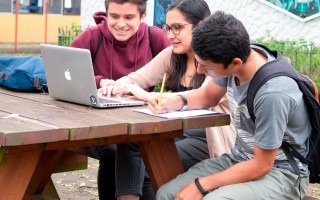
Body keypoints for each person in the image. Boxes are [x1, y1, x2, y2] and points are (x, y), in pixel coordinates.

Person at [151, 11, 311, 200]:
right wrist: (176, 102)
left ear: (235, 63)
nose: (200, 71)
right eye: (198, 62)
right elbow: (208, 96)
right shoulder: (236, 52)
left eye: (207, 66)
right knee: (166, 194)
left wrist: (202, 185)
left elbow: (262, 165)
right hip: (239, 159)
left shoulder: (272, 93)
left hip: (282, 174)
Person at [102, 1, 236, 199]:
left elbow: (201, 98)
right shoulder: (173, 56)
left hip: (205, 140)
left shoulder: (216, 59)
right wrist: (114, 86)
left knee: (148, 164)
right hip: (173, 131)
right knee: (128, 143)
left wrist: (146, 95)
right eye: (168, 28)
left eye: (178, 28)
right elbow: (136, 78)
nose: (170, 35)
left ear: (200, 27)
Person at [68, 0, 170, 199]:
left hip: (141, 124)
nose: (120, 24)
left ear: (143, 16)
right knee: (114, 151)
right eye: (114, 16)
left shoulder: (154, 37)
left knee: (142, 152)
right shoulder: (92, 36)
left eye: (129, 17)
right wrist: (99, 82)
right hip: (94, 123)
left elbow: (176, 71)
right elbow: (64, 70)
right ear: (107, 14)